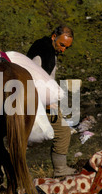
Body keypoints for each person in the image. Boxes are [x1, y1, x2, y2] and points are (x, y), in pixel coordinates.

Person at [26, 25, 76, 177]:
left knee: (19, 140)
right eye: (62, 45)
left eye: (67, 47)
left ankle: (3, 174)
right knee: (62, 131)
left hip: (32, 98)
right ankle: (60, 169)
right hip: (37, 101)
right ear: (54, 37)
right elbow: (33, 78)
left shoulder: (41, 45)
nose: (63, 50)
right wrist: (47, 102)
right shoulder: (45, 52)